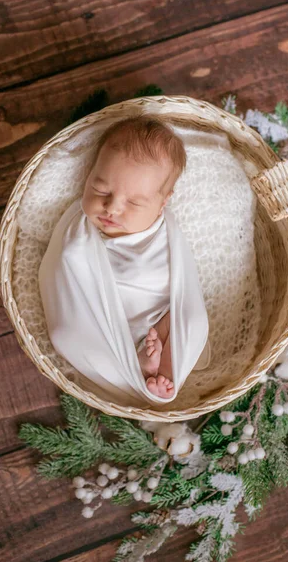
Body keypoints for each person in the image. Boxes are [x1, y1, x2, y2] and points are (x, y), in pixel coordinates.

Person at [39, 115, 210, 405]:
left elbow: (184, 284)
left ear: (162, 203)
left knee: (193, 321)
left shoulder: (165, 231)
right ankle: (137, 365)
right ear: (88, 175)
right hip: (99, 324)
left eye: (134, 203)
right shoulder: (79, 229)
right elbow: (65, 266)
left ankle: (164, 370)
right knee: (64, 335)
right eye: (100, 189)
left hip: (158, 318)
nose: (112, 207)